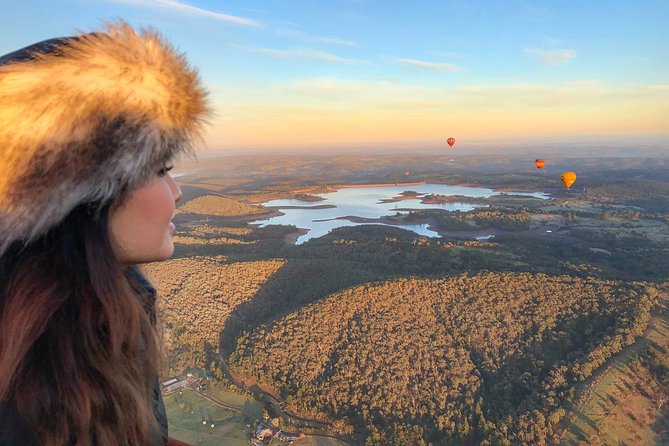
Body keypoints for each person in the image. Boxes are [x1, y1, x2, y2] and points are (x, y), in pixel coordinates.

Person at [0, 21, 210, 445]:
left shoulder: (95, 318)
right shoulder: (30, 386)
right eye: (162, 169)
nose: (178, 192)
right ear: (80, 196)